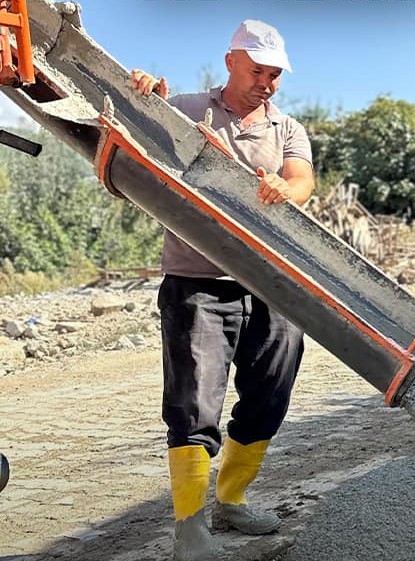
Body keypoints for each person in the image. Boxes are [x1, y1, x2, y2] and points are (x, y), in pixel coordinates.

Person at [130, 19, 315, 561]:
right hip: (197, 282)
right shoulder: (188, 108)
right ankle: (189, 525)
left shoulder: (286, 128)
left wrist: (288, 186)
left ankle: (230, 500)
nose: (267, 82)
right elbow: (131, 131)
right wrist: (142, 92)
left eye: (275, 74)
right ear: (232, 60)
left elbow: (302, 179)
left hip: (270, 282)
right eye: (259, 70)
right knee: (193, 400)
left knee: (270, 394)